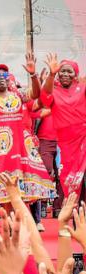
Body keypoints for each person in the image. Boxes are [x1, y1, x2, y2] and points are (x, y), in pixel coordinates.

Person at [0, 53, 54, 204]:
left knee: (18, 190)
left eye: (5, 74)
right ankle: (5, 223)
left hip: (19, 147)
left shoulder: (18, 94)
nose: (2, 77)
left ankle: (18, 223)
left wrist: (33, 74)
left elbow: (36, 94)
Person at [41, 54, 86, 201]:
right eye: (62, 71)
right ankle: (73, 212)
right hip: (65, 143)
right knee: (68, 179)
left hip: (83, 138)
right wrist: (51, 74)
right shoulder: (53, 90)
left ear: (75, 75)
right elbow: (44, 97)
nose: (65, 74)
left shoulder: (83, 88)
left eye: (69, 71)